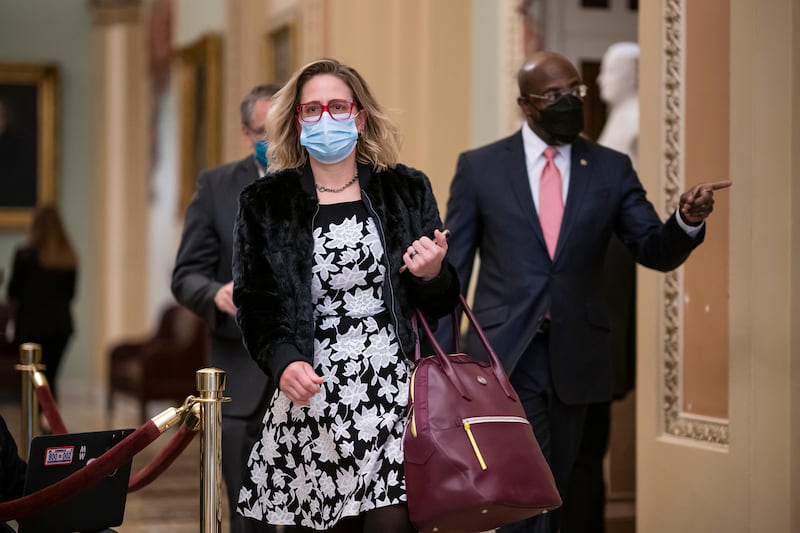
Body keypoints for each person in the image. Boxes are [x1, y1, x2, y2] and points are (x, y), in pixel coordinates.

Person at [439, 50, 731, 533]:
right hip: (506, 352)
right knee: (523, 481)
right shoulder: (480, 168)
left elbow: (653, 248)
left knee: (567, 481)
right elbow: (456, 267)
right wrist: (444, 356)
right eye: (553, 95)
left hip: (580, 352)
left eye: (575, 91)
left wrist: (687, 221)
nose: (569, 101)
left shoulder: (610, 168)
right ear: (525, 103)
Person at [232, 58, 459, 532]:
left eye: (337, 106)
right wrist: (284, 362)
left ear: (359, 116)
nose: (325, 117)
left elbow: (439, 302)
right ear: (297, 121)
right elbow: (255, 301)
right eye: (311, 109)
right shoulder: (266, 201)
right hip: (311, 395)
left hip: (394, 395)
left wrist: (433, 274)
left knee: (392, 523)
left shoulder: (406, 188)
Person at [171, 83, 282, 533]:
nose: (273, 143)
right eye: (263, 132)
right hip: (240, 377)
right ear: (245, 131)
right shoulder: (216, 186)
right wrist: (216, 293)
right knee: (246, 516)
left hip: (314, 378)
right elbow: (185, 275)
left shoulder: (326, 180)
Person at [561, 42, 641, 533]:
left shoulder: (619, 145)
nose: (605, 80)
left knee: (587, 459)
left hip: (601, 316)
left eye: (615, 70)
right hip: (545, 347)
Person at [7, 205, 77, 402]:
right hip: (60, 328)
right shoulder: (68, 259)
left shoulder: (24, 256)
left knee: (31, 382)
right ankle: (50, 425)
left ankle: (33, 424)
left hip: (31, 328)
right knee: (50, 379)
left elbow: (13, 292)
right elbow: (71, 294)